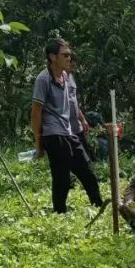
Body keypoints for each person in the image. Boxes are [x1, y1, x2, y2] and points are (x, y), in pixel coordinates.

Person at [31, 38, 103, 213]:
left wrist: (82, 120)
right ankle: (60, 212)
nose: (69, 58)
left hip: (68, 131)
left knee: (87, 170)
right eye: (65, 55)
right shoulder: (43, 79)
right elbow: (36, 113)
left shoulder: (65, 76)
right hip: (53, 133)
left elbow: (72, 104)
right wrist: (38, 142)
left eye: (69, 55)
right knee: (62, 177)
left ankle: (99, 205)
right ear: (52, 57)